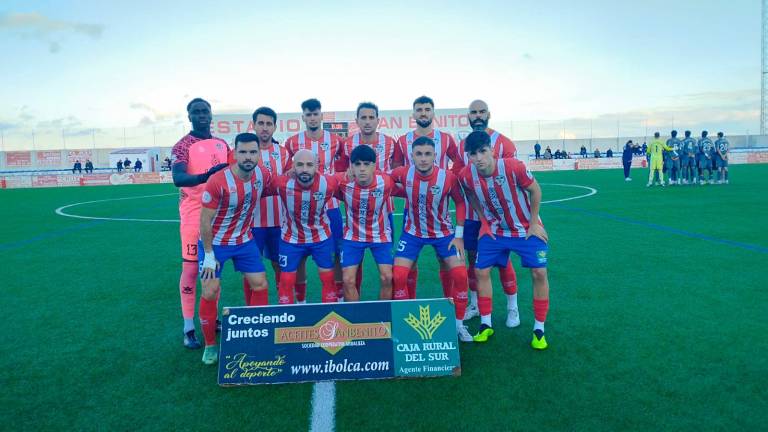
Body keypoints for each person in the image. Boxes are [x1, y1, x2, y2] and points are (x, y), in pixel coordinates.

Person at [460, 131, 551, 349]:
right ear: (468, 156)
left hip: (525, 229)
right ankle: (485, 324)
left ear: (491, 150)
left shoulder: (513, 166)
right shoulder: (466, 175)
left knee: (539, 273)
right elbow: (470, 195)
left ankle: (539, 329)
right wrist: (483, 221)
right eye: (473, 154)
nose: (479, 158)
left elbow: (535, 190)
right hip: (496, 231)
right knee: (480, 271)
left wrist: (533, 223)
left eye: (482, 151)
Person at [198, 132, 273, 365]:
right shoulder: (218, 181)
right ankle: (210, 345)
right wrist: (209, 255)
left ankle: (255, 331)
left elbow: (278, 185)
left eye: (253, 152)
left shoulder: (263, 174)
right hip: (216, 243)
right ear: (235, 153)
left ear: (259, 154)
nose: (248, 156)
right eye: (243, 152)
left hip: (244, 241)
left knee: (260, 284)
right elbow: (204, 222)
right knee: (210, 289)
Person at [390, 136, 472, 342]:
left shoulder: (448, 178)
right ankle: (405, 320)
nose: (424, 159)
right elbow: (385, 183)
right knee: (398, 276)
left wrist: (459, 236)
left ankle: (458, 324)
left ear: (435, 156)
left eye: (428, 154)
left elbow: (460, 203)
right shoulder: (401, 173)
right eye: (419, 154)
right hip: (412, 233)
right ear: (412, 156)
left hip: (443, 234)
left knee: (461, 275)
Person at [391, 95, 464, 301]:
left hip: (439, 206)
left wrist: (449, 183)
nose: (423, 113)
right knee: (409, 262)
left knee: (445, 260)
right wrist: (408, 188)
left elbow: (457, 163)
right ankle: (410, 304)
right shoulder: (403, 140)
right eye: (419, 110)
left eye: (427, 109)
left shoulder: (446, 138)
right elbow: (396, 170)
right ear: (413, 114)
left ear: (433, 113)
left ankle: (450, 306)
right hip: (412, 209)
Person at [171, 97, 230, 349]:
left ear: (211, 114)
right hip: (194, 215)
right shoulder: (182, 146)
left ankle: (211, 318)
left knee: (212, 269)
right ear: (189, 116)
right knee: (193, 270)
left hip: (219, 214)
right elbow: (178, 177)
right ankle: (188, 327)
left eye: (205, 111)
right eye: (196, 112)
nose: (202, 115)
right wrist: (205, 177)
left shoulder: (221, 143)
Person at [458, 100, 518, 323]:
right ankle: (475, 305)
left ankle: (513, 307)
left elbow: (514, 180)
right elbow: (460, 175)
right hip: (474, 217)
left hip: (501, 219)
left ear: (489, 114)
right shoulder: (462, 145)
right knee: (473, 262)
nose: (478, 116)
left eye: (481, 112)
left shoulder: (505, 144)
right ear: (468, 117)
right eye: (473, 113)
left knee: (503, 261)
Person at [284, 99, 346, 302]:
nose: (312, 117)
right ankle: (301, 300)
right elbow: (288, 171)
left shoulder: (336, 140)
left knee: (336, 252)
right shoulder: (292, 142)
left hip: (330, 206)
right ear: (303, 117)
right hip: (301, 207)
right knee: (300, 255)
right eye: (308, 114)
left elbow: (342, 169)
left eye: (315, 114)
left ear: (321, 116)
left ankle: (337, 295)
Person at [337, 102, 398, 293]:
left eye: (372, 117)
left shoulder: (389, 143)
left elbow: (395, 173)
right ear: (357, 121)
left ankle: (387, 315)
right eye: (363, 117)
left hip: (384, 211)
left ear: (378, 120)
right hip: (356, 212)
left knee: (389, 272)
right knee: (354, 269)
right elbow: (342, 174)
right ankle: (357, 317)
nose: (368, 121)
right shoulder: (347, 144)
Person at [272, 150, 343, 305]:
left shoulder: (329, 183)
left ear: (317, 166)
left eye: (309, 165)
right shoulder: (281, 183)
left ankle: (331, 318)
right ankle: (292, 317)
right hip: (291, 238)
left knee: (328, 278)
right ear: (292, 166)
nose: (304, 169)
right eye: (300, 164)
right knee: (286, 281)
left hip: (321, 238)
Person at [243, 106, 289, 305]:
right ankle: (252, 312)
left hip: (280, 222)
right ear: (254, 125)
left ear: (274, 127)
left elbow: (289, 184)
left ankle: (283, 309)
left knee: (281, 266)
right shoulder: (244, 152)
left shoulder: (284, 153)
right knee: (251, 270)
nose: (264, 128)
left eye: (269, 124)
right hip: (251, 224)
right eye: (260, 123)